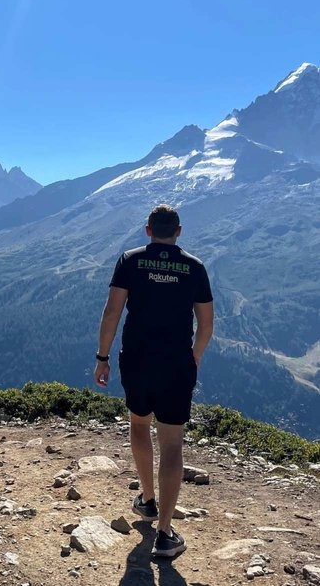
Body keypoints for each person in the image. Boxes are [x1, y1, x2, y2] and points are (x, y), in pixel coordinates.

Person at [94, 204, 213, 557]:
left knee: (138, 424)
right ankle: (164, 532)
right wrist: (194, 357)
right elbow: (205, 324)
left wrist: (102, 357)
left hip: (136, 359)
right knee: (172, 443)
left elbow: (112, 311)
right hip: (176, 362)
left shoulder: (130, 260)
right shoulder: (194, 267)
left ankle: (147, 499)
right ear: (179, 231)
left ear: (148, 230)